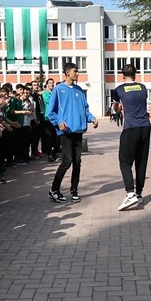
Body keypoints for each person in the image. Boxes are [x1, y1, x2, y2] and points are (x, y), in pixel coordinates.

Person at [47, 62, 97, 203]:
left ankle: (74, 190)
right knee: (67, 161)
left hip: (78, 130)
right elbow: (51, 112)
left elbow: (85, 109)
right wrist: (58, 122)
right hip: (66, 131)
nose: (78, 74)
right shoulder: (58, 89)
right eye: (75, 71)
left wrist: (92, 119)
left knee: (77, 161)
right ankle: (54, 190)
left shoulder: (79, 90)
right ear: (67, 73)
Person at [114, 63, 151, 210]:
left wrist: (118, 107)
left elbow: (116, 107)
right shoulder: (143, 88)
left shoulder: (118, 90)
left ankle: (130, 194)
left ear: (122, 75)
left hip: (131, 128)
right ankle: (139, 194)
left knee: (124, 161)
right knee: (141, 161)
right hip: (145, 127)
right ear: (135, 74)